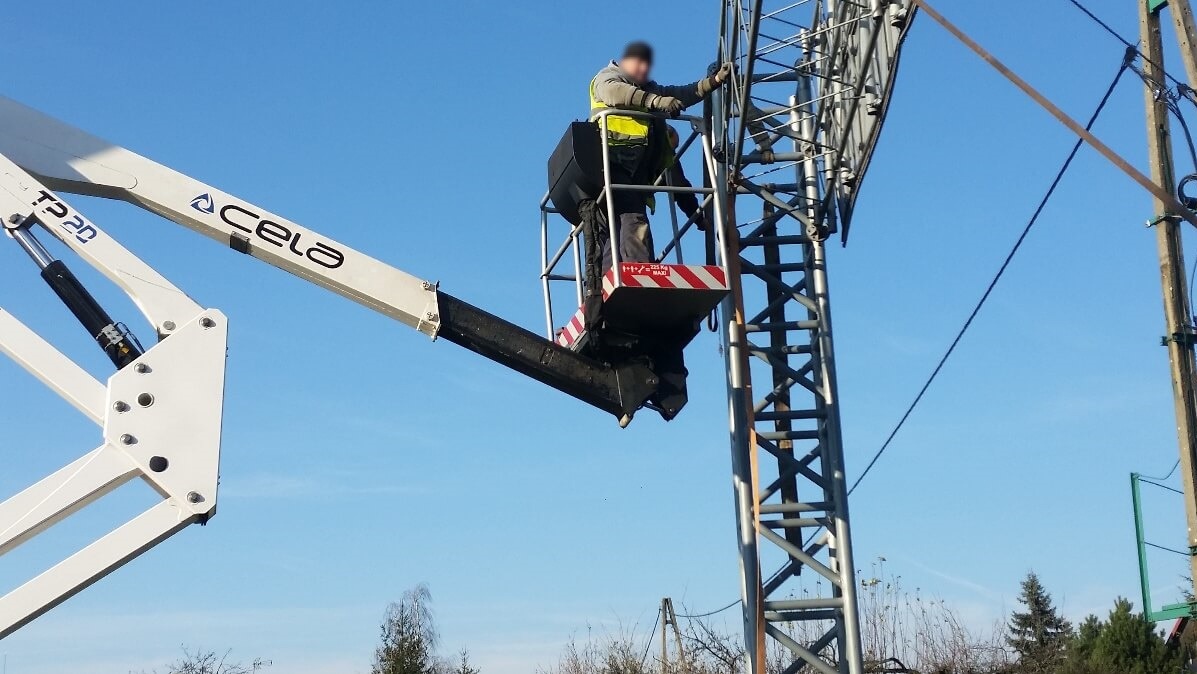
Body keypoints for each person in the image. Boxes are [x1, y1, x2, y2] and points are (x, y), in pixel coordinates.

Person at [588, 41, 731, 269]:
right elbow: (615, 93)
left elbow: (679, 184)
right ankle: (642, 273)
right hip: (611, 163)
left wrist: (712, 83)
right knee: (633, 220)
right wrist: (654, 101)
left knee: (618, 230)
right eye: (639, 64)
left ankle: (611, 279)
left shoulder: (657, 148)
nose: (644, 70)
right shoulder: (607, 78)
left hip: (634, 172)